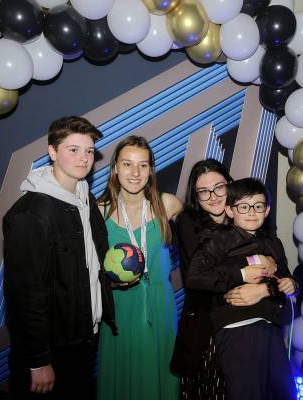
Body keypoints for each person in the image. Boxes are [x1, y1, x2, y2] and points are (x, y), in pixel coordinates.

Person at [3, 116, 116, 399]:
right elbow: (24, 295)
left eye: (89, 151)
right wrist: (38, 361)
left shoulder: (85, 198)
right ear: (52, 152)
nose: (84, 158)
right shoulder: (30, 214)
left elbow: (90, 264)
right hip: (52, 352)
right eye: (73, 149)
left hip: (85, 339)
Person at [170, 160, 277, 400]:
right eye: (203, 191)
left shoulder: (247, 213)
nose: (213, 196)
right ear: (195, 196)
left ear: (230, 184)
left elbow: (280, 270)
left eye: (219, 187)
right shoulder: (188, 222)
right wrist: (249, 268)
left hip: (252, 324)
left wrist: (265, 288)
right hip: (207, 327)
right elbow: (198, 277)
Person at [186, 177, 298, 400]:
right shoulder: (218, 239)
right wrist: (241, 274)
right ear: (229, 210)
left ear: (267, 210)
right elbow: (195, 277)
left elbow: (285, 279)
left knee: (284, 392)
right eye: (243, 207)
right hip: (237, 329)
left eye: (258, 206)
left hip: (272, 327)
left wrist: (289, 284)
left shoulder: (274, 244)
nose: (252, 212)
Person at [97, 135, 183, 400]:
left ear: (151, 170)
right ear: (115, 168)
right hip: (119, 309)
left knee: (160, 381)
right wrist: (108, 283)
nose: (135, 172)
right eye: (127, 164)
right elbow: (85, 271)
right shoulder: (99, 212)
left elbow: (203, 239)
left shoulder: (168, 204)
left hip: (159, 305)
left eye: (143, 165)